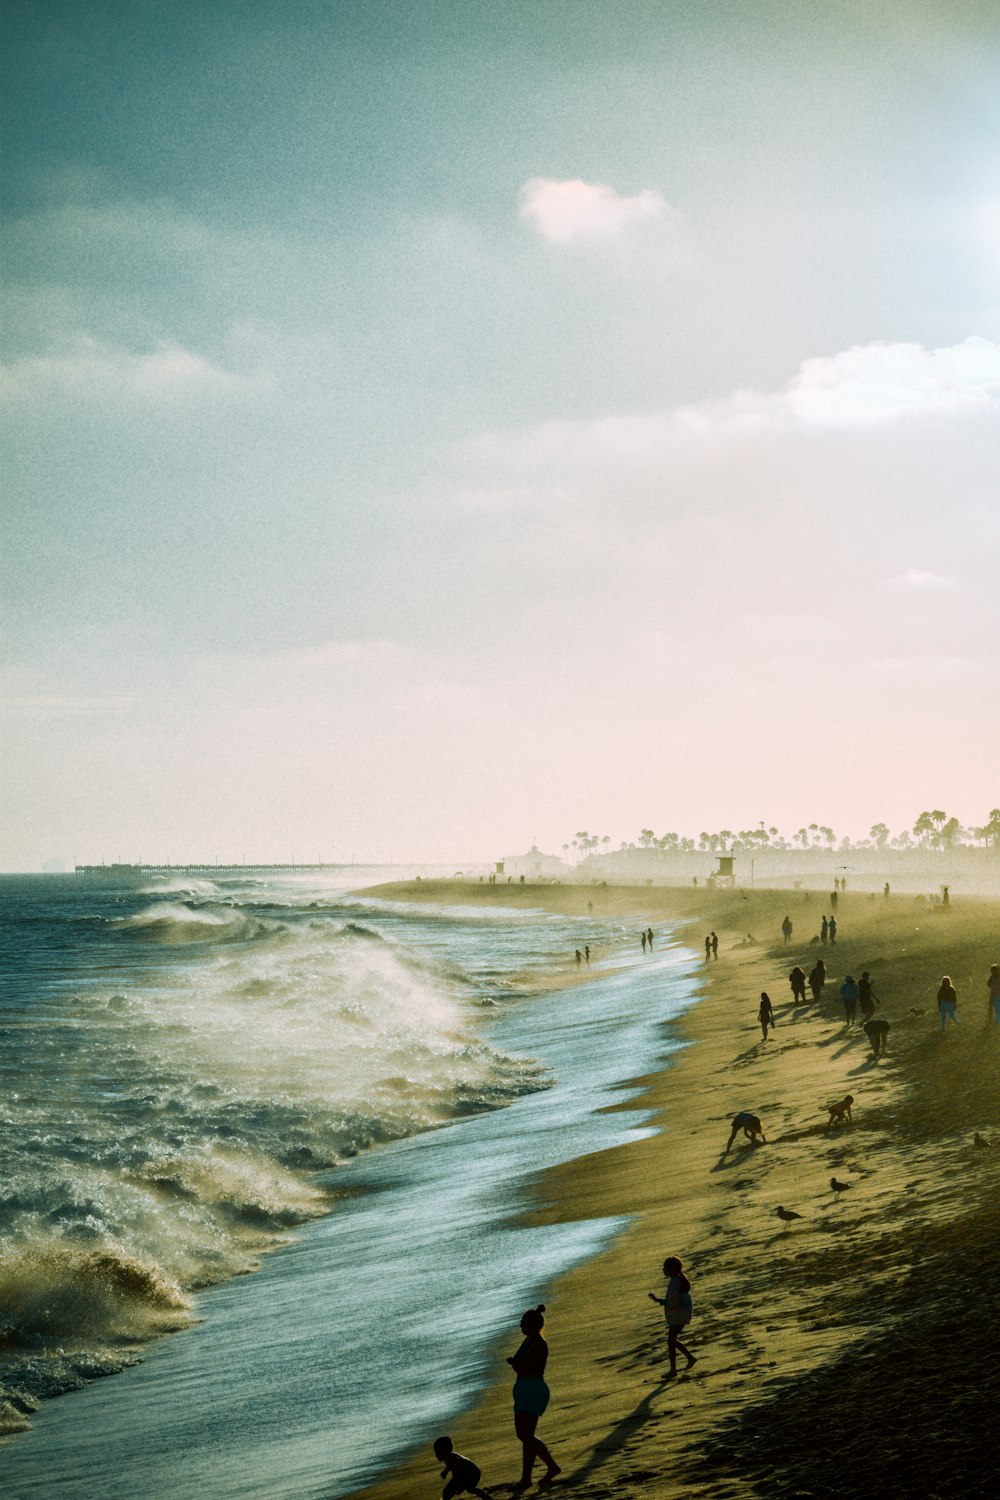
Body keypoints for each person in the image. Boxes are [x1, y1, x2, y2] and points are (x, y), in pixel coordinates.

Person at [507, 1305, 560, 1488]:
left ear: (533, 1326)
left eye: (524, 1324)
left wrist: (514, 1363)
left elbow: (523, 1367)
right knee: (524, 1435)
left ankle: (550, 1467)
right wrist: (515, 1363)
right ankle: (526, 1478)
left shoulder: (538, 1344)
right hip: (524, 1389)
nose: (521, 1326)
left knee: (525, 1435)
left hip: (533, 1390)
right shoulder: (529, 1340)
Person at [648, 1256, 696, 1376]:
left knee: (671, 1341)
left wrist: (659, 1300)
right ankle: (688, 1358)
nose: (663, 1270)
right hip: (682, 1314)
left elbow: (673, 1302)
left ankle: (674, 1369)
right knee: (672, 1341)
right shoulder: (679, 1280)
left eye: (665, 1268)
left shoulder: (674, 1282)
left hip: (678, 1315)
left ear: (671, 1269)